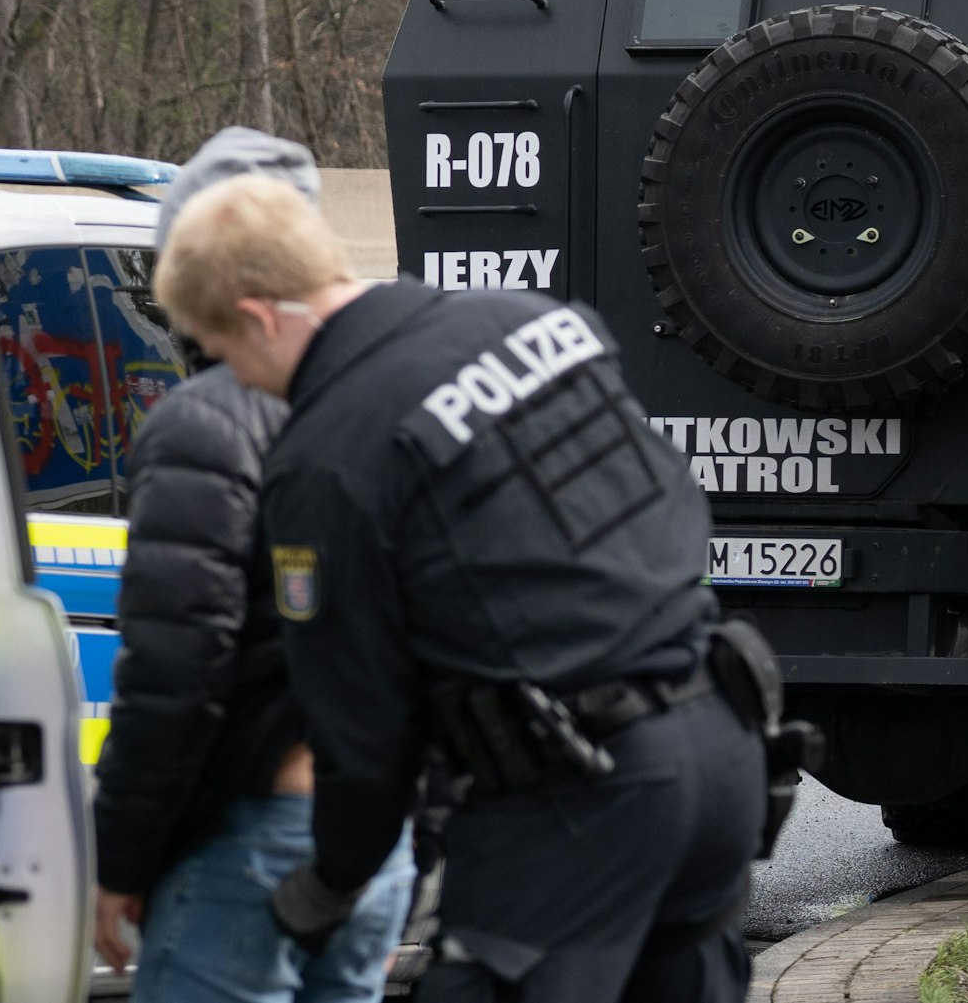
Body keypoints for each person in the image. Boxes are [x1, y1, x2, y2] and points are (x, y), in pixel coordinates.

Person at [152, 173, 771, 1003]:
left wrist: (332, 882)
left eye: (223, 352)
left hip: (575, 800)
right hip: (724, 744)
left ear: (258, 316)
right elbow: (668, 510)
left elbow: (361, 730)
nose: (238, 380)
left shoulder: (325, 458)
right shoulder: (534, 321)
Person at [91, 129, 415, 1003]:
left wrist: (120, 859)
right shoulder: (396, 393)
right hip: (374, 834)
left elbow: (174, 675)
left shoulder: (205, 422)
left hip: (255, 837)